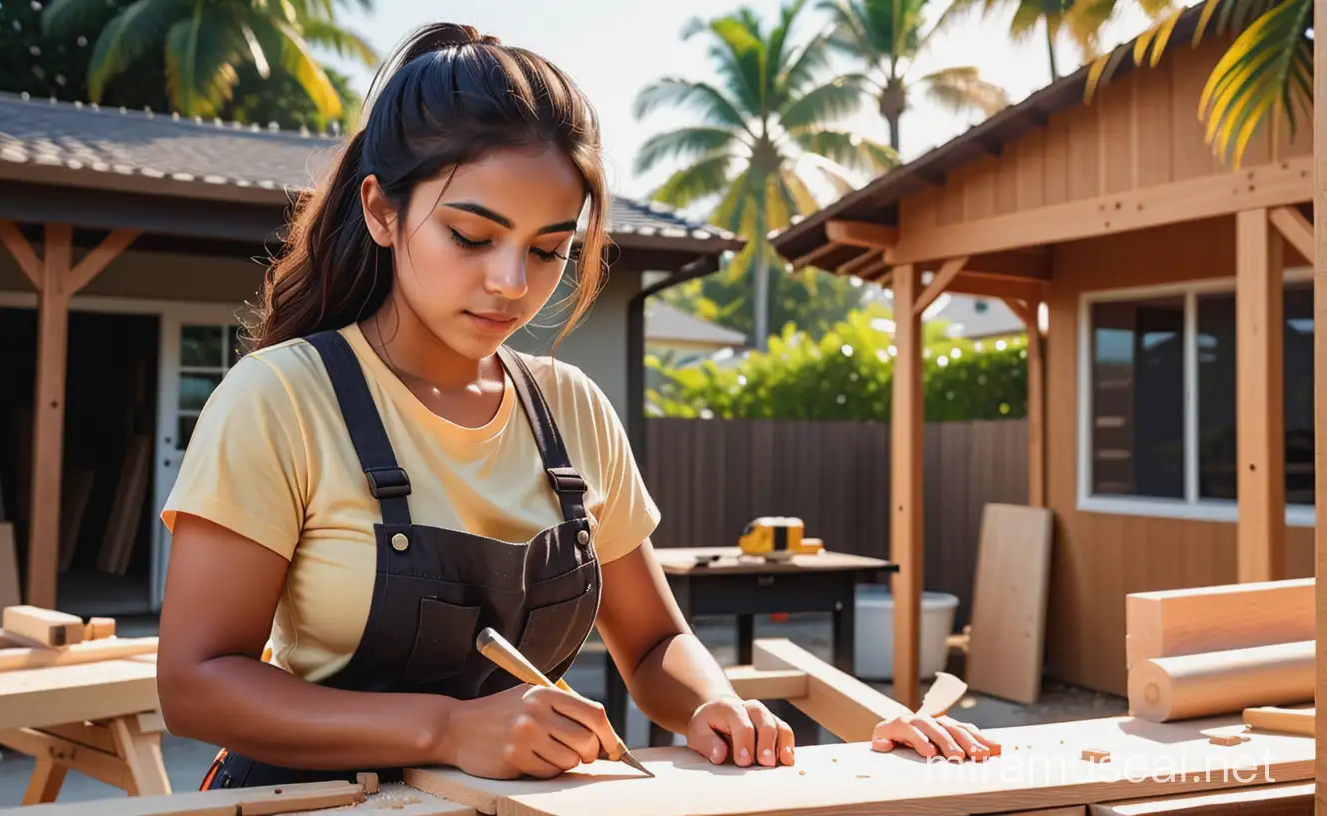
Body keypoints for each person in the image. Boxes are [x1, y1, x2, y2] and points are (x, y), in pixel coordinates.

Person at [155, 22, 1000, 791]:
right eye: (472, 236)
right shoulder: (282, 400)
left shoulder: (570, 411)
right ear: (382, 210)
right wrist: (446, 728)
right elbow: (196, 683)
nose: (511, 283)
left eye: (549, 248)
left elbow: (656, 644)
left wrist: (712, 704)